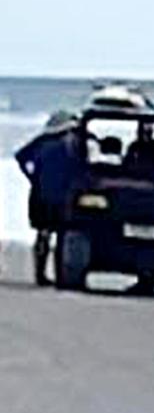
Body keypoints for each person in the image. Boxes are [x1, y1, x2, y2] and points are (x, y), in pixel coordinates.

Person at [15, 111, 84, 286]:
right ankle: (60, 275)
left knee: (43, 234)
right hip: (62, 196)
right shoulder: (73, 143)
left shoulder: (43, 142)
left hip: (40, 193)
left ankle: (40, 273)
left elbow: (20, 157)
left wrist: (32, 176)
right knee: (61, 234)